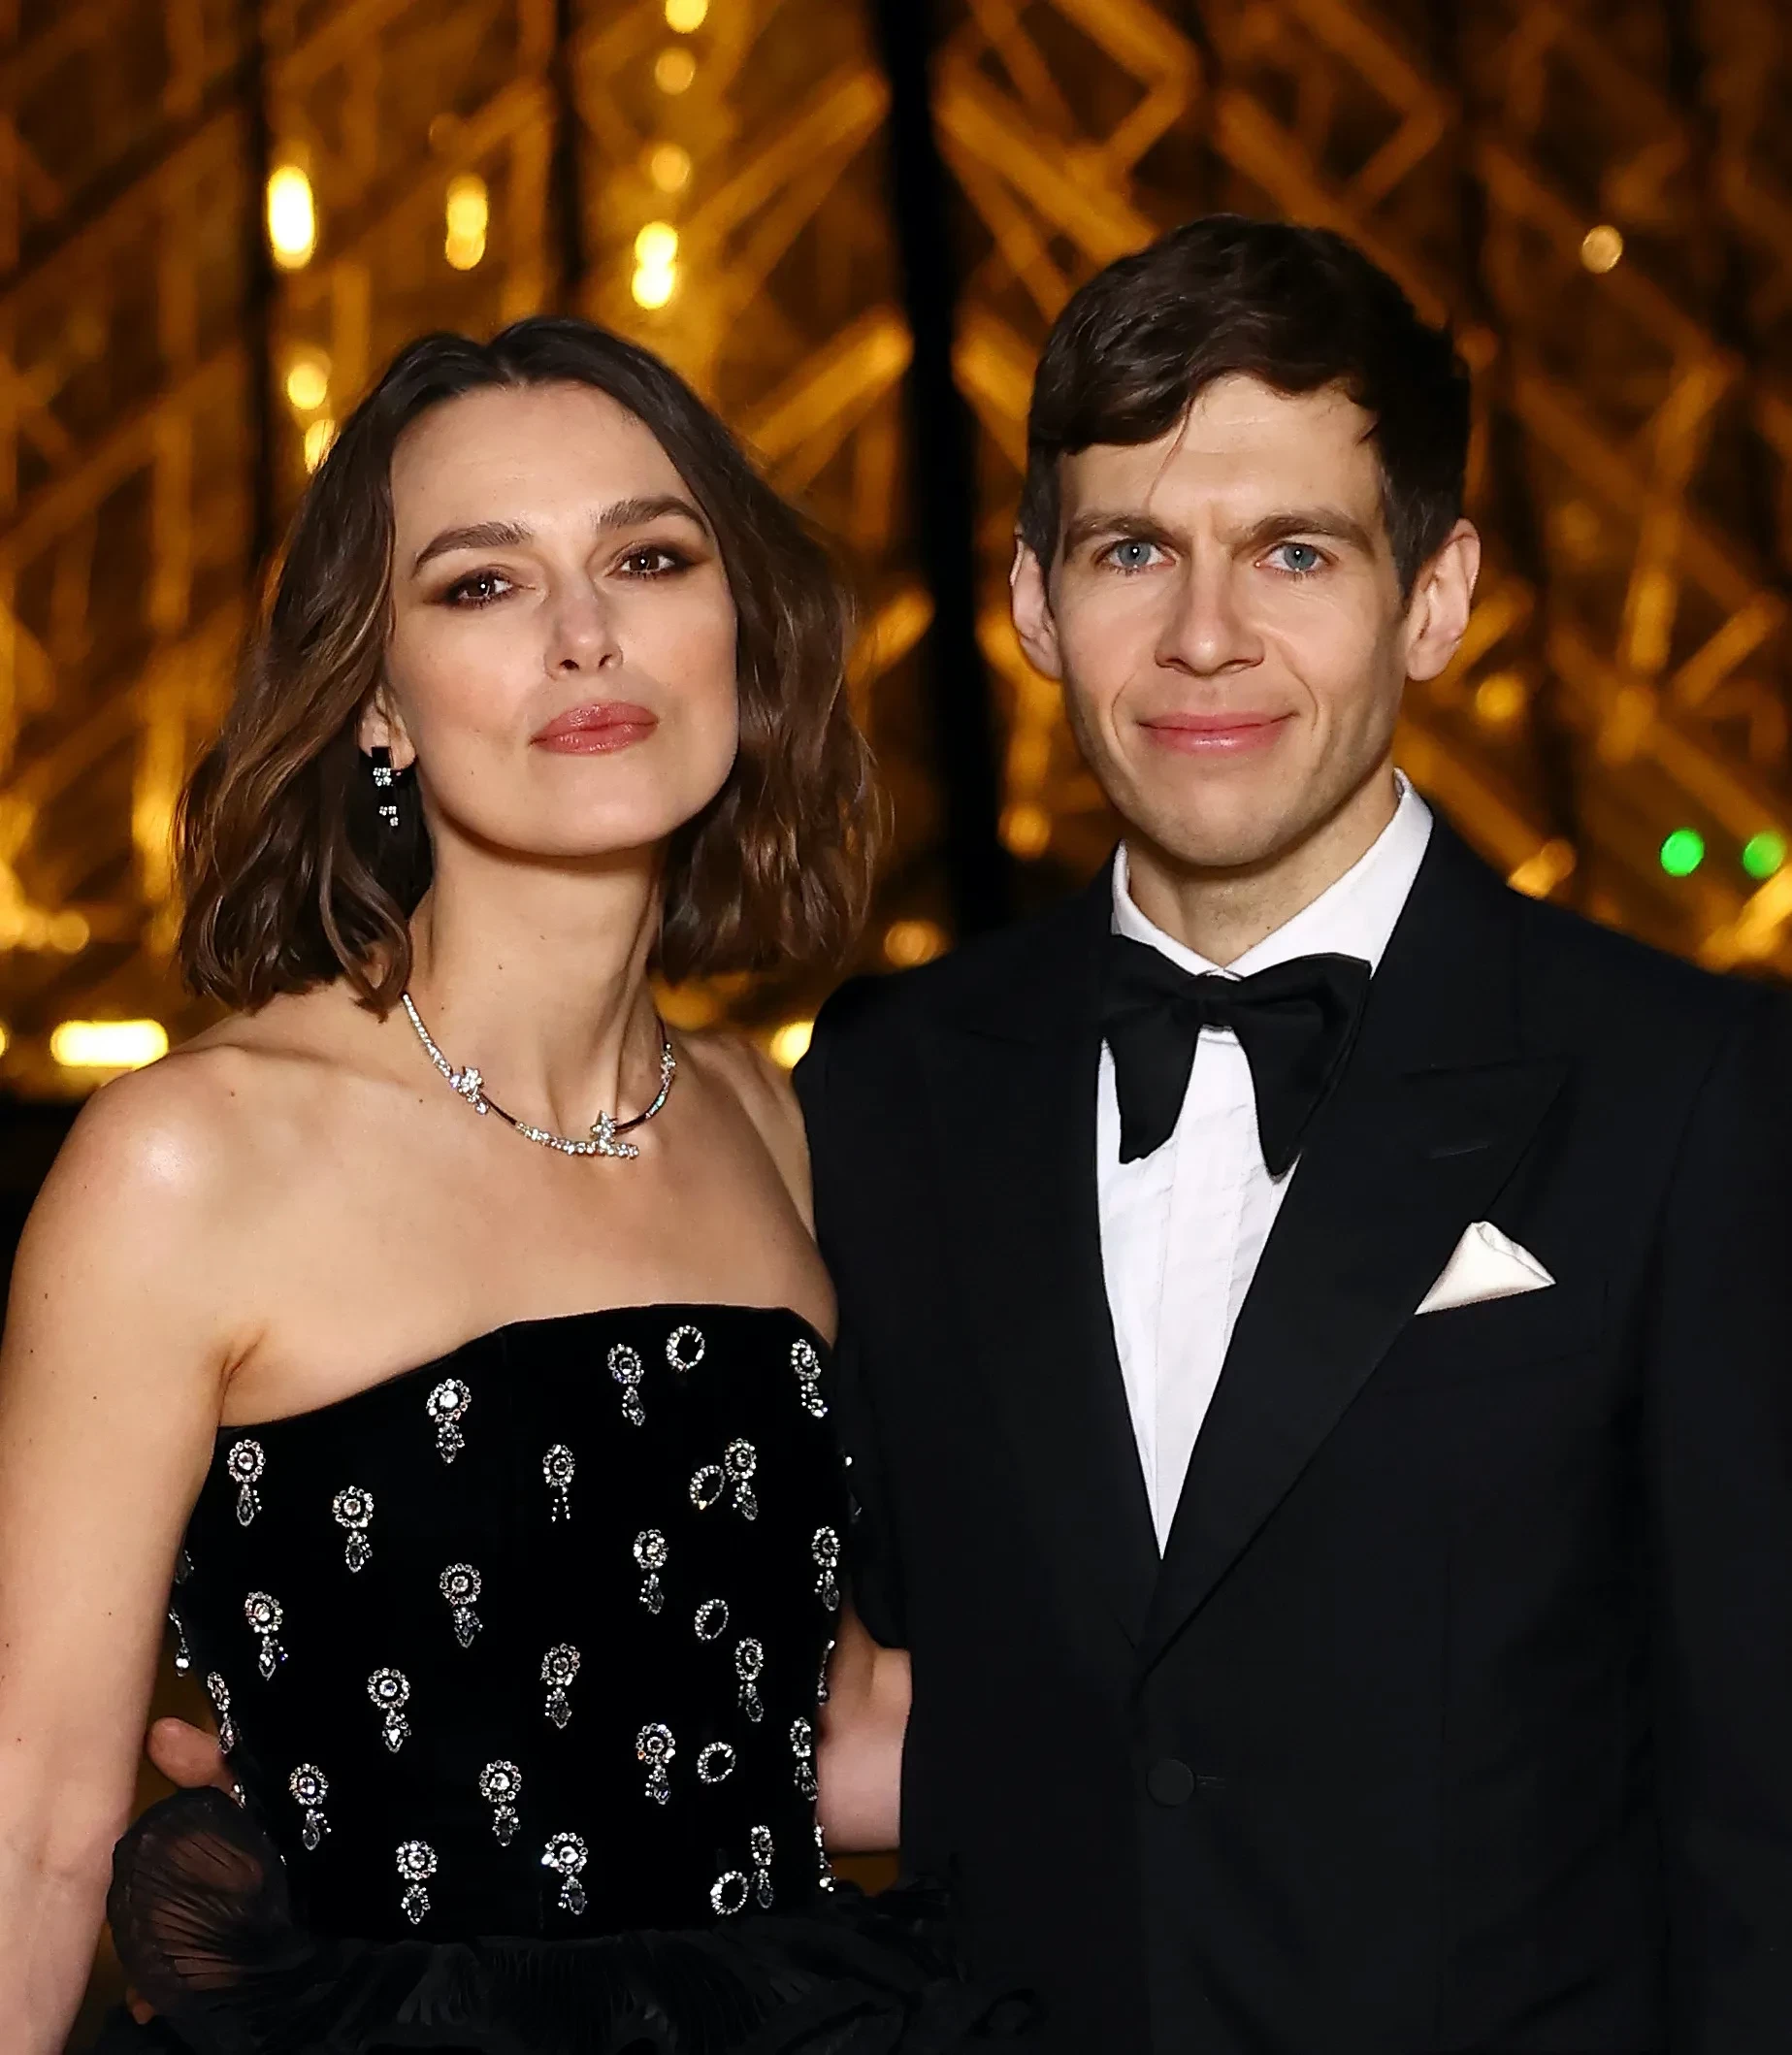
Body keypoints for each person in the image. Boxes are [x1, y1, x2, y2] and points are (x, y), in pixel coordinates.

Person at [795, 216, 1792, 2053]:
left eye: (1293, 552)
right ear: (1032, 602)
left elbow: (1763, 1820)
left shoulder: (1693, 1089)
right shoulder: (886, 1082)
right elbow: (859, 1679)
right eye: (1131, 550)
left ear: (1434, 594)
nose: (1202, 636)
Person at [0, 316, 1019, 2054]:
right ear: (376, 701)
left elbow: (821, 1726)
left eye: (649, 556)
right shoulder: (190, 1159)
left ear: (739, 634)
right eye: (482, 583)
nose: (583, 631)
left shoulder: (762, 1120)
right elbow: (34, 1817)